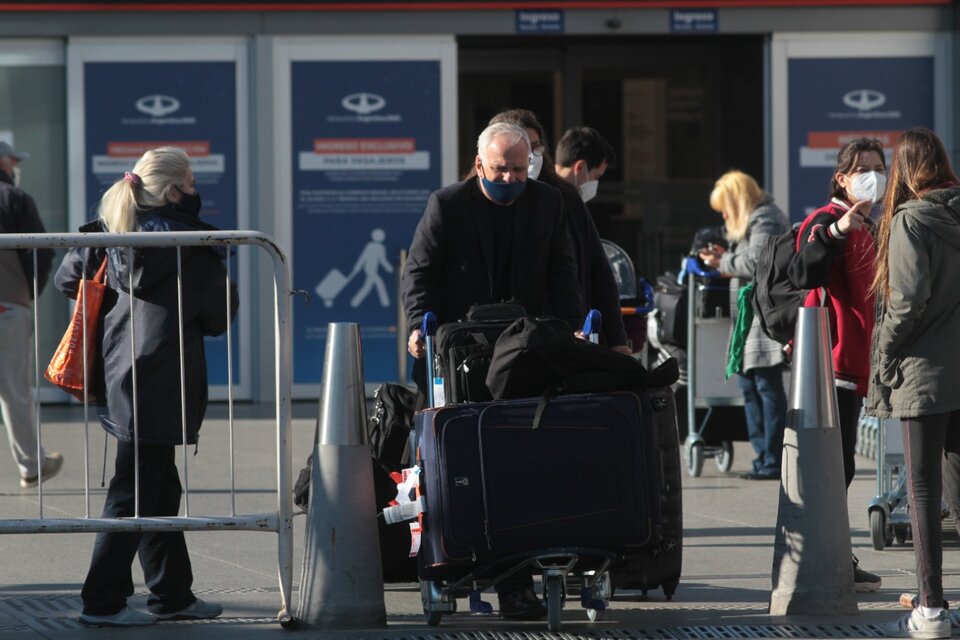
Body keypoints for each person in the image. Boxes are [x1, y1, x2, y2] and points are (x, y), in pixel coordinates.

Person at [401, 122, 581, 621]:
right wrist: (418, 325)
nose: (510, 177)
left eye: (519, 169)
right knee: (459, 466)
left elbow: (564, 273)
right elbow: (419, 272)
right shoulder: (449, 204)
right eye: (500, 169)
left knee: (521, 465)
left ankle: (515, 581)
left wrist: (573, 331)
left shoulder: (546, 203)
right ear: (479, 164)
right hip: (459, 354)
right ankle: (455, 562)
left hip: (523, 350)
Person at [54, 147, 237, 627]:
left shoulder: (113, 226)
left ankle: (172, 593)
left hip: (121, 373)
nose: (197, 192)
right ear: (175, 192)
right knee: (133, 492)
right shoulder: (190, 243)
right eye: (193, 184)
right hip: (165, 377)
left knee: (157, 488)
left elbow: (65, 278)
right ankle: (102, 601)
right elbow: (218, 316)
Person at [867, 128, 960, 638]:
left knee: (922, 490)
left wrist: (884, 352)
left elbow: (908, 299)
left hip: (925, 372)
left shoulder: (910, 220)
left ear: (904, 171)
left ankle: (931, 608)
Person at [787, 137, 884, 593]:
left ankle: (834, 555)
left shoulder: (869, 224)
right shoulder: (827, 221)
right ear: (842, 178)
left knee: (839, 466)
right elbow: (804, 271)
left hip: (854, 365)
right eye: (863, 167)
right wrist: (837, 230)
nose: (873, 175)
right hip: (830, 367)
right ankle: (829, 560)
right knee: (833, 467)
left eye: (879, 167)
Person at [493, 120, 626, 354]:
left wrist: (617, 340)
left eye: (535, 146)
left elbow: (597, 272)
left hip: (563, 336)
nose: (529, 155)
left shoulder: (567, 202)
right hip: (507, 343)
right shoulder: (473, 205)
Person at [698, 170, 788, 480]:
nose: (723, 214)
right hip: (750, 317)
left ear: (737, 202)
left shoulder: (766, 218)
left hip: (763, 317)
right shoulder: (755, 220)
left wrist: (721, 263)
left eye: (725, 207)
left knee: (765, 386)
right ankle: (763, 457)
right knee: (751, 387)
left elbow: (756, 261)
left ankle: (772, 460)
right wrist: (726, 258)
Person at [0, 140, 58, 488]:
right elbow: (42, 252)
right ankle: (32, 465)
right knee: (14, 390)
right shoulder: (15, 199)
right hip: (8, 305)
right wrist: (27, 292)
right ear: (5, 163)